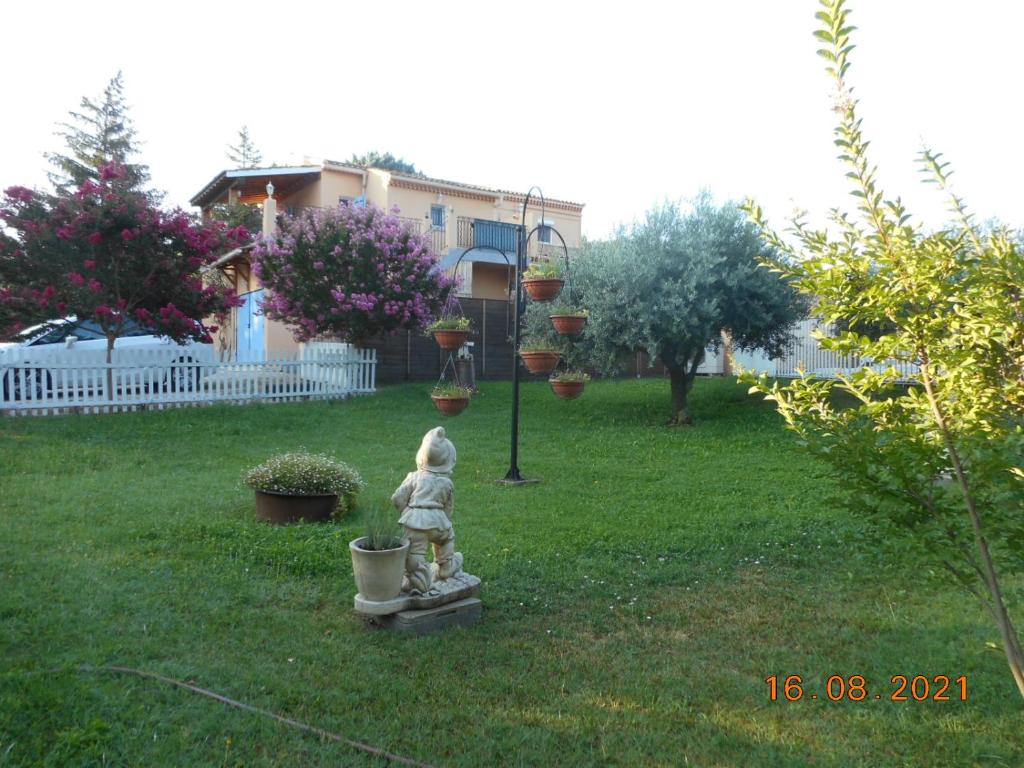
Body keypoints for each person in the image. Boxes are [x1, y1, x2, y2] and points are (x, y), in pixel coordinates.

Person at [391, 427, 464, 594]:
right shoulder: (447, 483)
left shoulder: (414, 477)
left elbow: (397, 499)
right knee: (447, 540)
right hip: (439, 523)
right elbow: (449, 507)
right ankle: (445, 565)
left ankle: (416, 575)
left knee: (415, 551)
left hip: (414, 522)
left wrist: (407, 513)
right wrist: (441, 519)